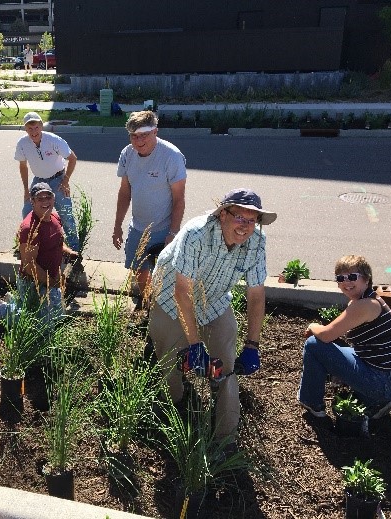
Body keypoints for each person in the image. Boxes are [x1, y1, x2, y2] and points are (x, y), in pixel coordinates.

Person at [149, 188, 277, 444]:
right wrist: (195, 344)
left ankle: (225, 437)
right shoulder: (196, 234)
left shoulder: (257, 242)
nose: (245, 226)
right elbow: (182, 292)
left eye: (252, 220)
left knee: (225, 363)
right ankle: (174, 405)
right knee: (168, 355)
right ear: (222, 215)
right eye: (239, 217)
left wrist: (252, 345)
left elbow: (256, 295)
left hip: (214, 299)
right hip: (171, 296)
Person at [298, 255, 391, 419]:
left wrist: (312, 326)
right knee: (339, 349)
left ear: (366, 279)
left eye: (352, 277)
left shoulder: (364, 306)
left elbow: (325, 335)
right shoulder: (370, 300)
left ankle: (312, 402)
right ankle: (375, 401)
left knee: (313, 344)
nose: (346, 282)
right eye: (340, 278)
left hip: (388, 380)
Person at [112, 110, 186, 306]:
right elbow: (124, 193)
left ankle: (162, 307)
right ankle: (147, 303)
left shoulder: (172, 156)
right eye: (134, 136)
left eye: (143, 135)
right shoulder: (127, 154)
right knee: (139, 270)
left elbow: (179, 199)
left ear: (155, 132)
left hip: (163, 229)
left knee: (164, 274)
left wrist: (173, 232)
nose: (138, 141)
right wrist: (117, 226)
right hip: (137, 227)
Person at [0, 182, 78, 326]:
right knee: (40, 325)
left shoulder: (54, 218)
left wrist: (68, 252)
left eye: (48, 197)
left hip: (50, 278)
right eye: (40, 198)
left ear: (53, 199)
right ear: (32, 202)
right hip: (33, 283)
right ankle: (2, 310)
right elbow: (29, 265)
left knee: (57, 318)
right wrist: (51, 283)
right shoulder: (29, 228)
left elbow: (58, 241)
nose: (45, 201)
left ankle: (14, 302)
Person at [15, 111, 79, 251]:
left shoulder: (54, 140)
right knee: (28, 211)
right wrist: (26, 190)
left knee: (66, 215)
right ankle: (31, 245)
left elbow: (72, 158)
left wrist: (66, 180)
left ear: (41, 126)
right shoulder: (22, 143)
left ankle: (74, 250)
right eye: (30, 129)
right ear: (25, 129)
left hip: (58, 179)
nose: (33, 132)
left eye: (36, 127)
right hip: (38, 181)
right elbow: (23, 166)